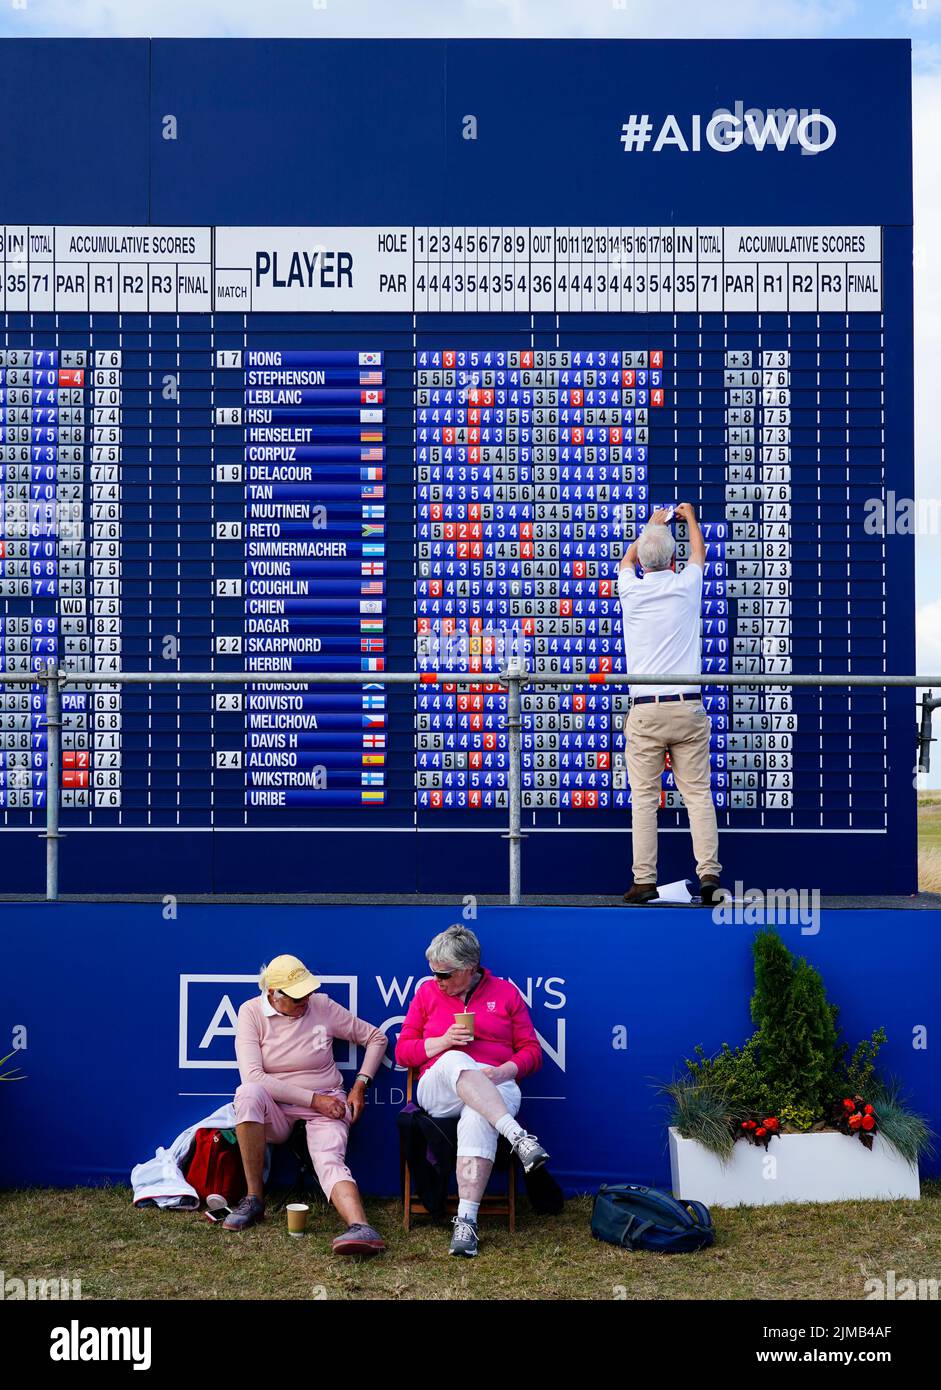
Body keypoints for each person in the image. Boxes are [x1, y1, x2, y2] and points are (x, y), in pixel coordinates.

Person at [396, 924, 547, 1258]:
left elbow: (532, 1052)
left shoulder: (506, 994)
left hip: (495, 1084)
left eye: (444, 974)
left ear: (468, 970)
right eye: (433, 973)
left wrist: (505, 1069)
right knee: (454, 1058)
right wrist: (442, 1042)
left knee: (477, 1117)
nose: (437, 980)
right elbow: (403, 1051)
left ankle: (466, 1222)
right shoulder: (426, 994)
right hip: (440, 1089)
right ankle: (519, 1137)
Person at [225, 953, 388, 1255]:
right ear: (273, 993)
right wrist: (315, 1100)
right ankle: (253, 1200)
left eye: (308, 992)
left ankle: (362, 1228)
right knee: (247, 1093)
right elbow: (254, 1077)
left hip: (329, 1100)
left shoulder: (321, 1005)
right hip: (278, 1107)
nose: (306, 1000)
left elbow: (376, 1038)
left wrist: (360, 1085)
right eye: (298, 996)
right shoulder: (250, 1012)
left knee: (329, 1159)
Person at [618, 502, 722, 905]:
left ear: (642, 560)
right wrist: (691, 518)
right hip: (687, 706)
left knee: (644, 799)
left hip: (645, 708)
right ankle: (709, 875)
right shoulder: (686, 585)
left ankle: (644, 881)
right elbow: (700, 554)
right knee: (697, 795)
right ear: (674, 559)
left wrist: (651, 527)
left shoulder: (630, 588)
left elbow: (630, 558)